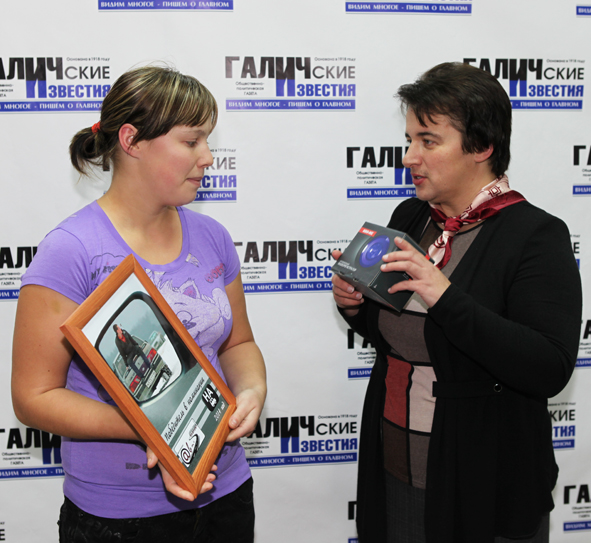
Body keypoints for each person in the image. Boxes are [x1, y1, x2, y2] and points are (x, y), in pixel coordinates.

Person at [12, 65, 266, 543]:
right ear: (131, 141)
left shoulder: (212, 236)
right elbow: (34, 398)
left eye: (208, 140)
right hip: (118, 518)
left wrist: (251, 390)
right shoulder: (72, 250)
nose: (208, 157)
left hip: (226, 492)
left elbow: (238, 344)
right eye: (191, 141)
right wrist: (155, 429)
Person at [332, 62, 582, 543]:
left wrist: (444, 295)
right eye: (410, 139)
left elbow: (548, 366)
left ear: (482, 147)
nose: (409, 156)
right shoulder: (411, 216)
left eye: (428, 141)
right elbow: (402, 335)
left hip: (483, 483)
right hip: (395, 466)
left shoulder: (536, 235)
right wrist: (355, 306)